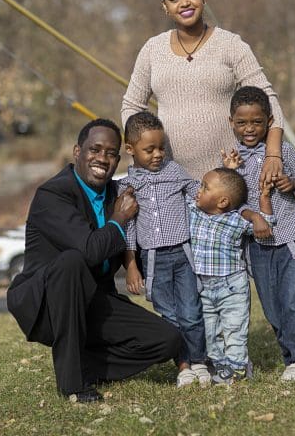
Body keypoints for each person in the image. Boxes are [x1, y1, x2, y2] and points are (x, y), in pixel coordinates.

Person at [7, 118, 181, 403]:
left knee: (167, 340)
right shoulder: (52, 194)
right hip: (45, 304)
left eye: (111, 153)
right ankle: (73, 384)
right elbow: (89, 250)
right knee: (72, 261)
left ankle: (86, 364)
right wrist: (119, 218)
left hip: (92, 300)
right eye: (95, 149)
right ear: (78, 152)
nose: (103, 158)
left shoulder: (117, 193)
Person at [121, 0, 286, 187]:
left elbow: (268, 98)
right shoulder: (152, 49)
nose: (185, 3)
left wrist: (273, 154)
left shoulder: (230, 44)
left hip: (232, 176)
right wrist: (143, 149)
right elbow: (131, 106)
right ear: (165, 7)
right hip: (173, 180)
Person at [223, 86, 295, 381]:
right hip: (256, 243)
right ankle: (287, 351)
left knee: (294, 297)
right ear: (231, 123)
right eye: (242, 122)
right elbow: (226, 204)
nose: (249, 129)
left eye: (256, 122)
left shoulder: (282, 152)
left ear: (269, 121)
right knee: (272, 304)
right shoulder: (232, 160)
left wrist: (294, 183)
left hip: (288, 236)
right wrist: (230, 174)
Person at [117, 111, 210, 387]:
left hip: (183, 255)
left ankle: (199, 361)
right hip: (153, 259)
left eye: (161, 147)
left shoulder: (175, 171)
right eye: (150, 149)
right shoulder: (127, 187)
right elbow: (129, 229)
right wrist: (132, 265)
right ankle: (183, 367)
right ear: (130, 149)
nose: (158, 154)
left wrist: (220, 181)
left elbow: (199, 192)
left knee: (191, 312)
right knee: (169, 315)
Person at [189, 167, 274, 384]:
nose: (198, 191)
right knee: (209, 333)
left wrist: (263, 199)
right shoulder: (193, 212)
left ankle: (238, 369)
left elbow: (265, 225)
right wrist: (231, 167)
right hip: (202, 287)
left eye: (204, 188)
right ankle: (220, 368)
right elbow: (222, 180)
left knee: (234, 330)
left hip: (232, 288)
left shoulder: (236, 221)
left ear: (222, 202)